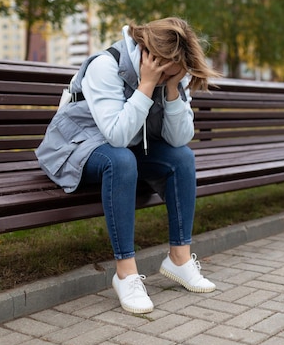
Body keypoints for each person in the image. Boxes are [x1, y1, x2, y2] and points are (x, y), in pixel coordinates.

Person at [35, 17, 221, 314]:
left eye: (171, 76)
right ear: (151, 55)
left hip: (128, 147)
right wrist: (147, 85)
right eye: (165, 75)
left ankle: (180, 259)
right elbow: (117, 136)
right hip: (75, 148)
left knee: (182, 158)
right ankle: (126, 274)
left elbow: (180, 139)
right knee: (121, 160)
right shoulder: (105, 66)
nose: (166, 80)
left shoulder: (170, 71)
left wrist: (172, 89)